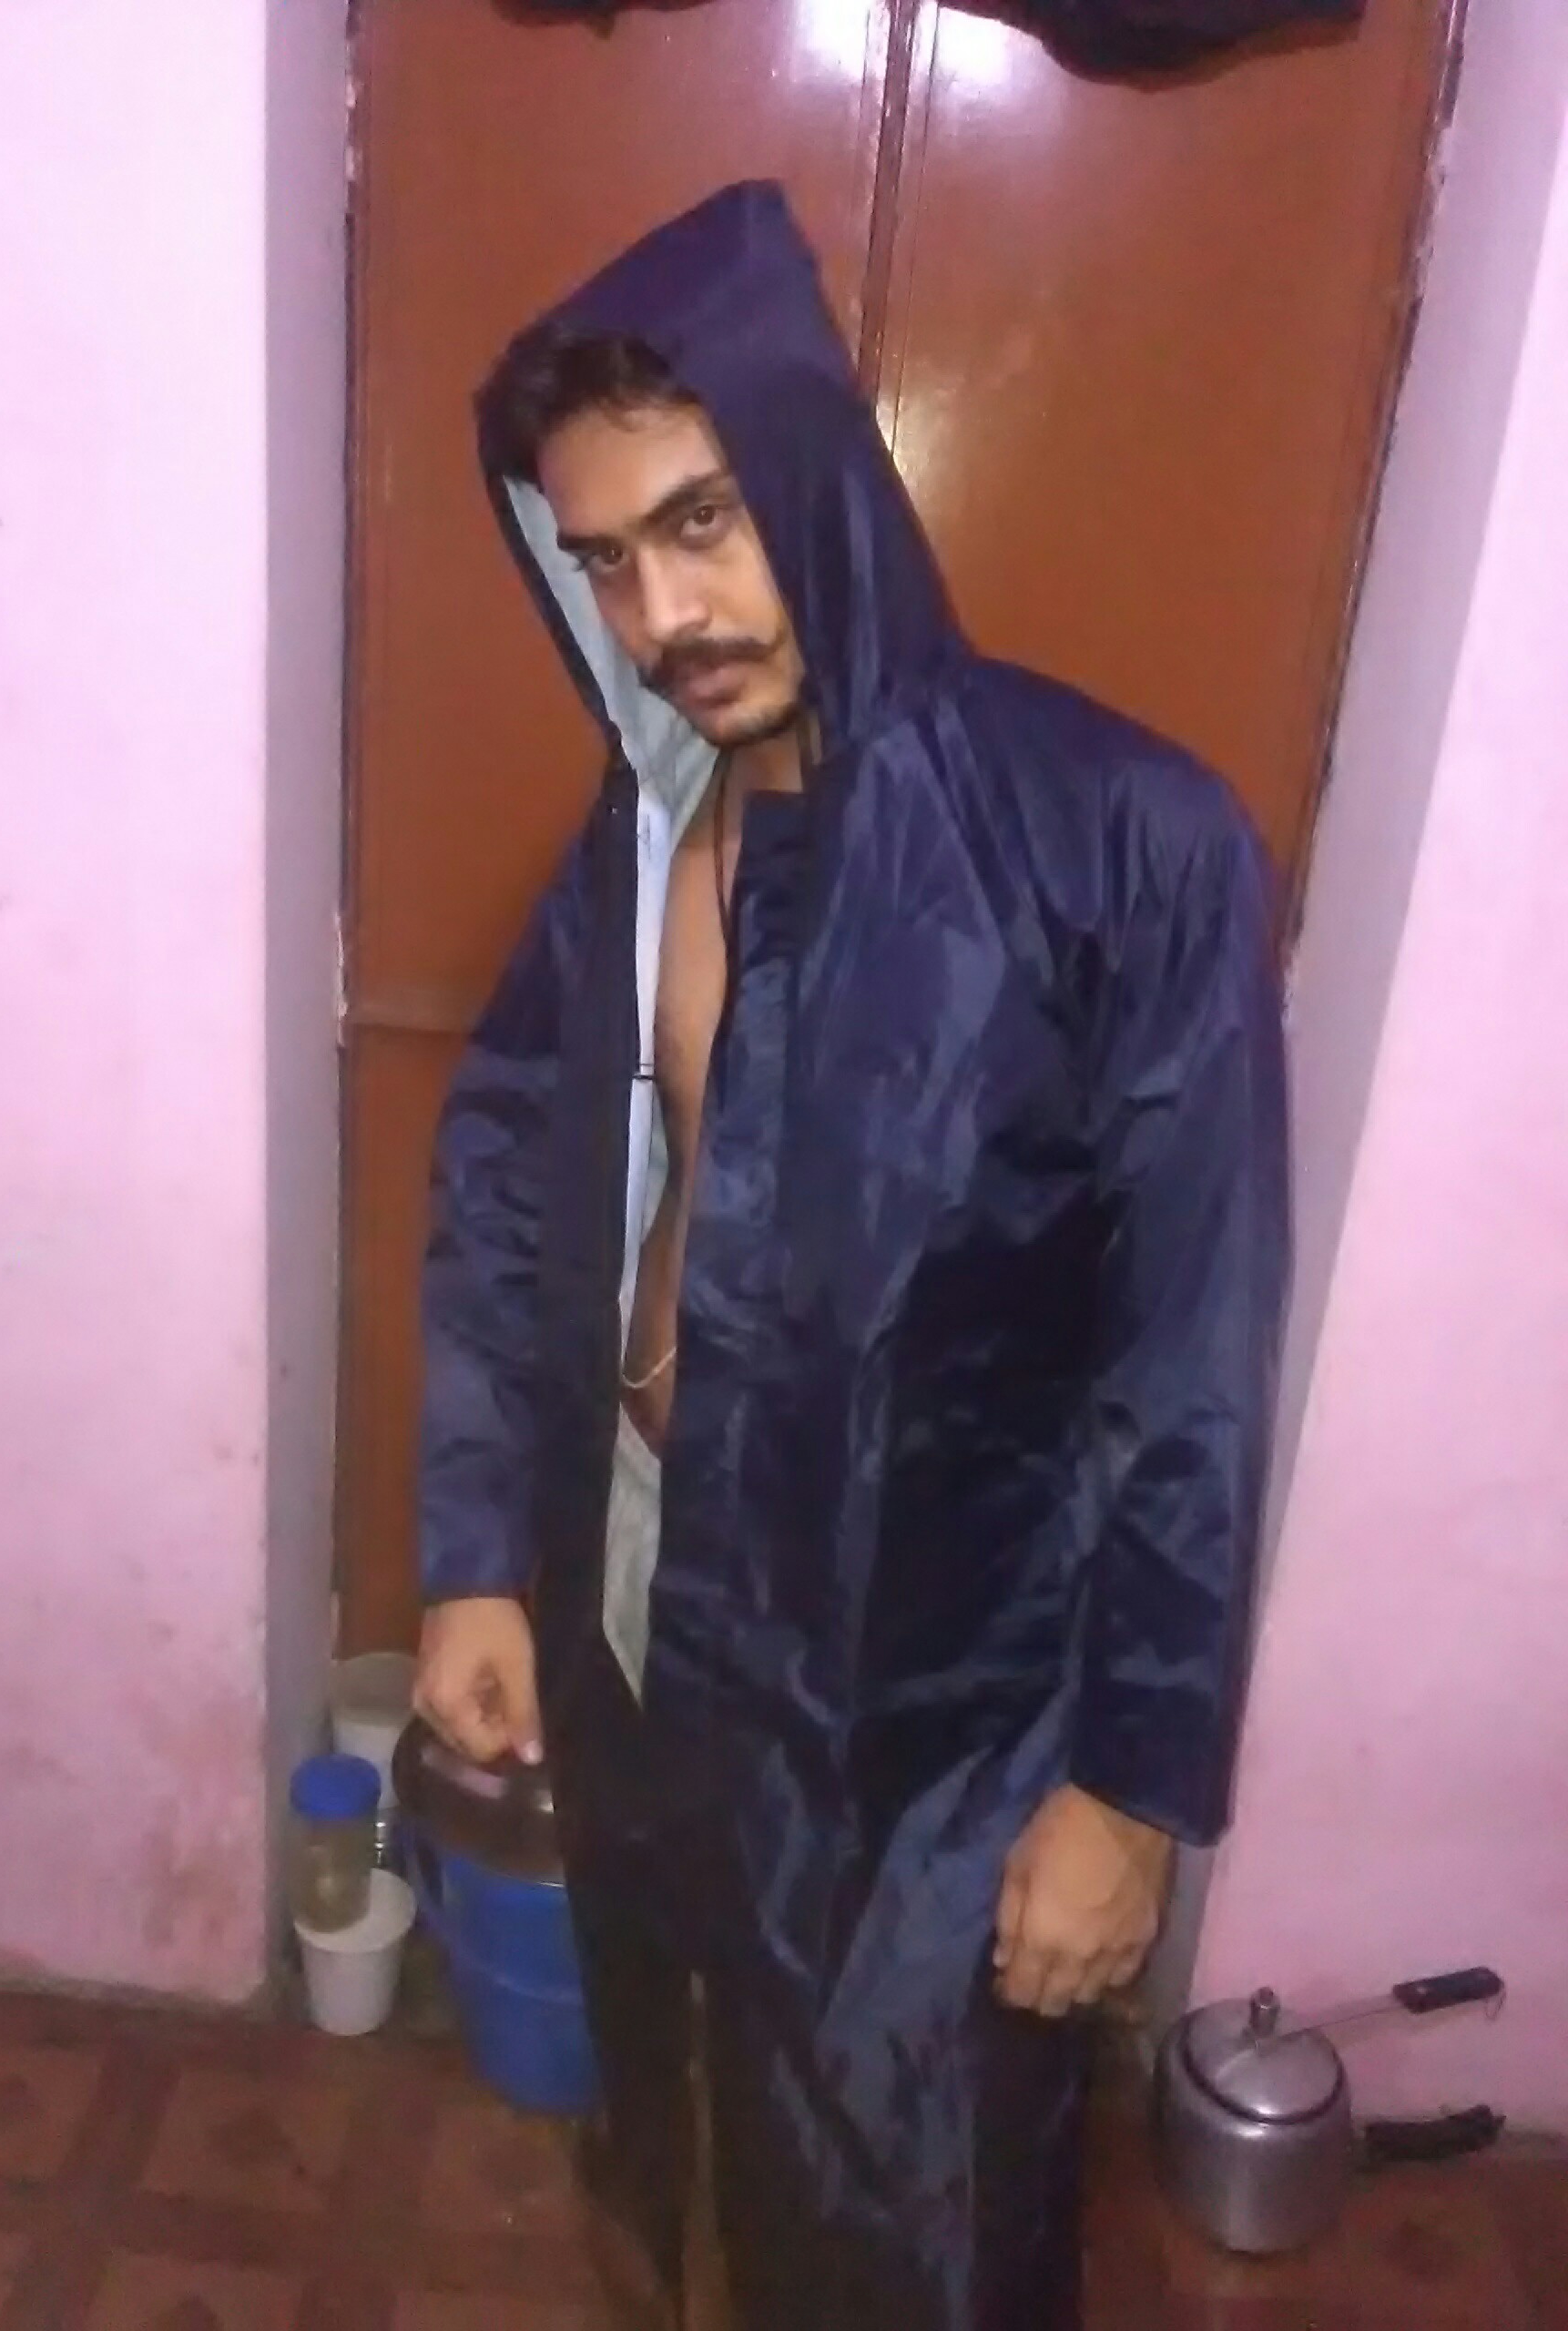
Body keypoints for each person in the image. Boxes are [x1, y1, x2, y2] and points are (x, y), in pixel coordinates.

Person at [412, 180, 1289, 2330]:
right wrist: (479, 1555)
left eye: (702, 523)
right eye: (604, 558)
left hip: (931, 1718)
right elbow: (511, 1178)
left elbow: (1188, 1355)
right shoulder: (643, 835)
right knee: (680, 2106)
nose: (662, 613)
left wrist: (1131, 1791)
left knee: (921, 2205)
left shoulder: (1117, 847)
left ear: (814, 472)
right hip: (642, 1616)